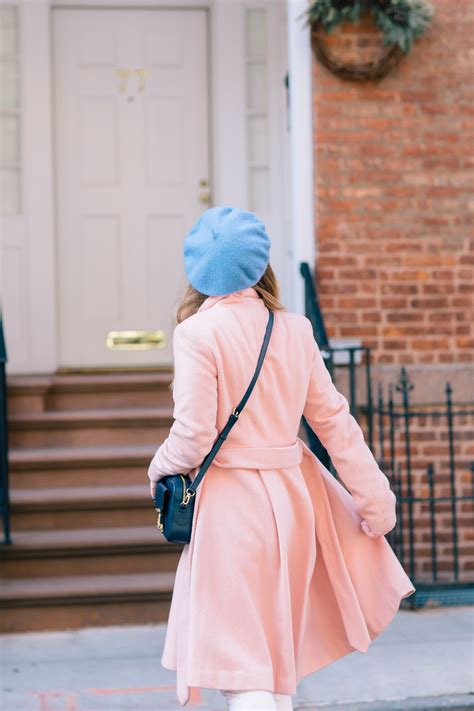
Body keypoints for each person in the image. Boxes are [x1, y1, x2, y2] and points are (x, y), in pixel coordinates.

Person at [147, 206, 415, 710]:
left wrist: (158, 468)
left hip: (231, 510)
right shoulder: (294, 329)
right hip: (294, 508)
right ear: (259, 266)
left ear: (199, 272)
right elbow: (334, 421)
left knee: (242, 666)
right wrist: (376, 500)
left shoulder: (196, 335)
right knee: (270, 662)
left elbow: (193, 436)